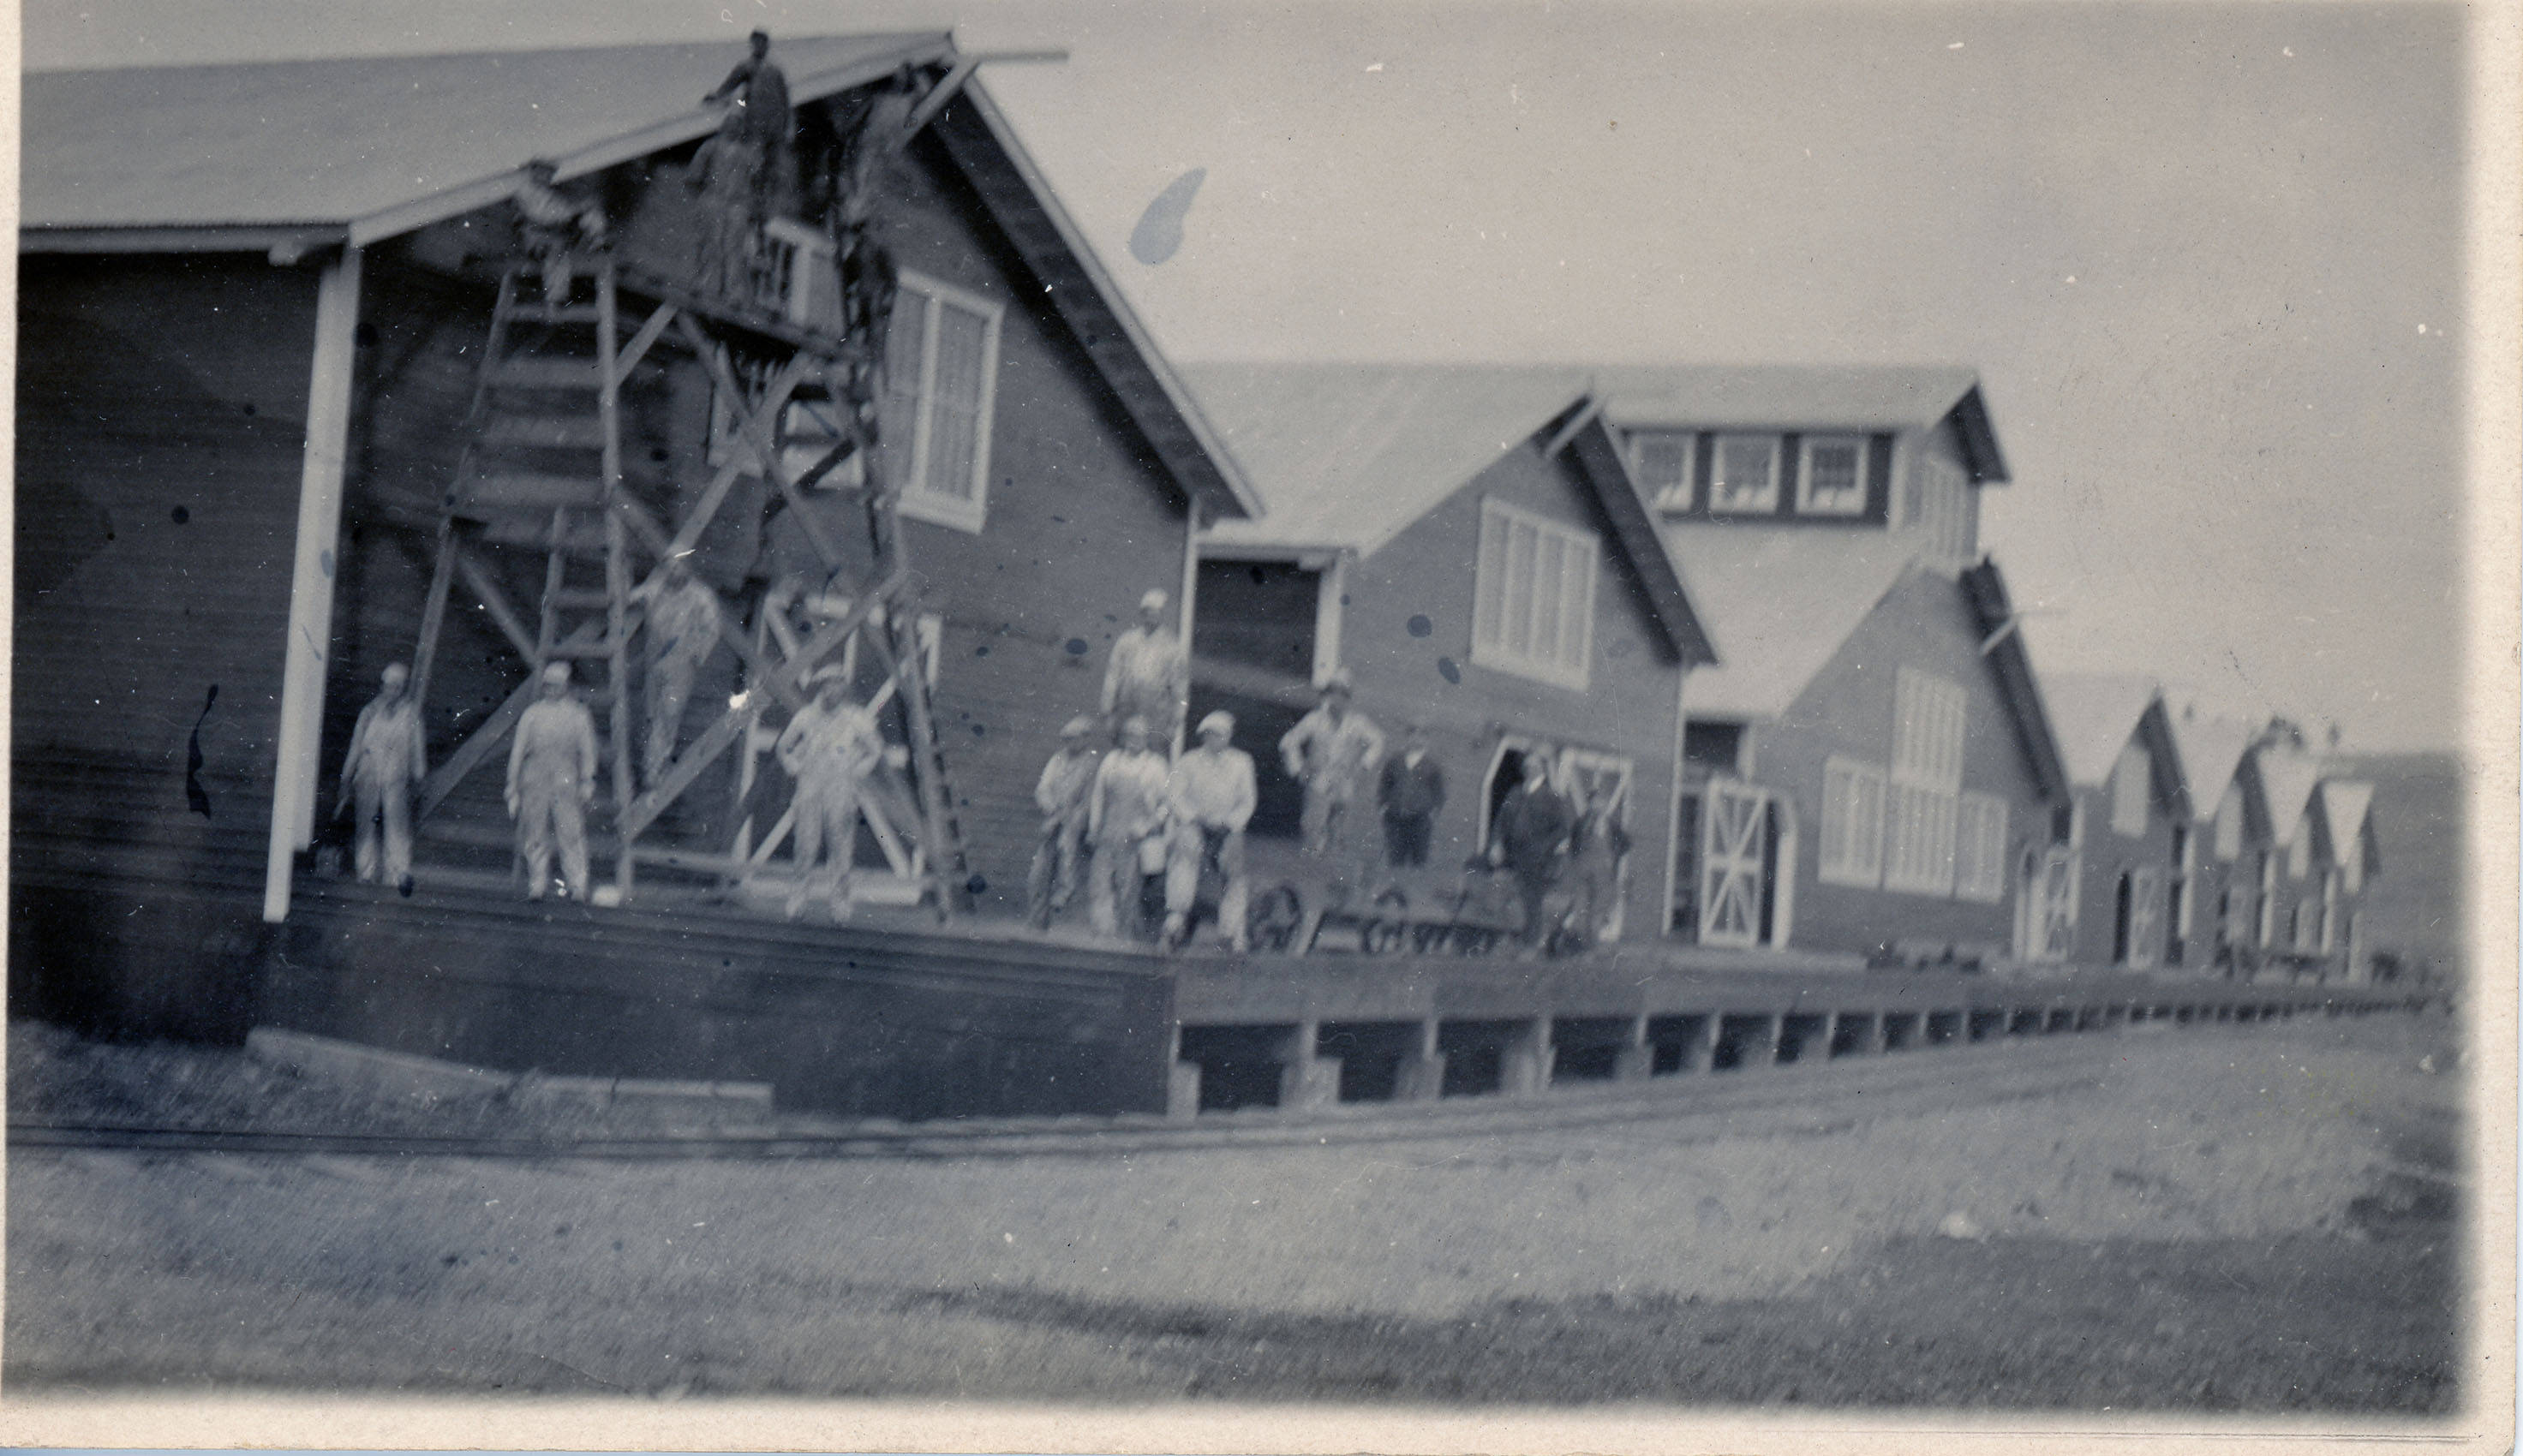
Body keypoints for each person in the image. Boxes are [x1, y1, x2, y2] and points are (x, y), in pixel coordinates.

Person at [775, 665, 886, 921]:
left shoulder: (855, 718)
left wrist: (858, 770)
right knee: (805, 844)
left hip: (840, 788)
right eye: (826, 685)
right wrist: (794, 766)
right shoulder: (806, 716)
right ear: (820, 688)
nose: (831, 690)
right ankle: (798, 897)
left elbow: (875, 748)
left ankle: (840, 902)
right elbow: (783, 747)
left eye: (837, 684)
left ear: (844, 688)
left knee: (841, 847)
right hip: (811, 787)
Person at [1278, 670, 1385, 908]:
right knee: (1313, 827)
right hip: (1319, 781)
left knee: (1339, 834)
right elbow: (1288, 742)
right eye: (1331, 695)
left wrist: (1363, 765)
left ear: (1348, 699)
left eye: (1342, 696)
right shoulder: (1315, 720)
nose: (1336, 701)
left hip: (1344, 783)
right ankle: (1305, 883)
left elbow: (1378, 741)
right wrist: (1298, 769)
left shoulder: (1357, 723)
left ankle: (1333, 888)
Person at [1164, 711, 1258, 952]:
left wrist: (1230, 823)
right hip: (1196, 824)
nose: (1216, 739)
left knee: (1235, 871)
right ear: (1203, 736)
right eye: (1211, 734)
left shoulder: (1242, 762)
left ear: (1229, 737)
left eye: (1222, 735)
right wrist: (1194, 817)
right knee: (1185, 855)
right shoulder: (1188, 761)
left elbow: (1247, 801)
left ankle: (1231, 929)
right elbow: (1175, 796)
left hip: (1228, 827)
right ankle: (1176, 916)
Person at [507, 661, 600, 902]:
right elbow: (518, 752)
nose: (552, 690)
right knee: (535, 834)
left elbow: (587, 752)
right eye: (548, 685)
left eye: (557, 685)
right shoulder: (532, 714)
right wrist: (512, 785)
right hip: (535, 779)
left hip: (566, 779)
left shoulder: (579, 715)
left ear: (566, 686)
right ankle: (537, 884)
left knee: (570, 832)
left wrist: (587, 780)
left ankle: (577, 884)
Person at [336, 661, 426, 895]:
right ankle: (365, 873)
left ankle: (397, 874)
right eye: (389, 686)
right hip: (368, 776)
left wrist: (419, 777)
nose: (392, 691)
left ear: (403, 689)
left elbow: (417, 749)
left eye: (398, 687)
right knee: (365, 825)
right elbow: (356, 747)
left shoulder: (411, 715)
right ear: (382, 686)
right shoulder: (369, 713)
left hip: (397, 778)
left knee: (397, 826)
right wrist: (346, 777)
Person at [641, 555, 726, 786]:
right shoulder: (657, 589)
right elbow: (636, 595)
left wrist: (697, 653)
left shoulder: (700, 596)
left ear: (688, 568)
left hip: (680, 660)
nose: (675, 571)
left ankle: (657, 768)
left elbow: (713, 627)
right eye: (670, 566)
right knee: (650, 712)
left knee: (669, 712)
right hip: (655, 659)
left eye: (680, 566)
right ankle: (650, 768)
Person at [1086, 714, 1172, 940]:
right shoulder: (1112, 760)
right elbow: (1098, 796)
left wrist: (1149, 825)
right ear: (1124, 737)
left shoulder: (1155, 765)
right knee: (1100, 882)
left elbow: (1166, 804)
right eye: (1130, 734)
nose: (1135, 739)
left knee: (1129, 887)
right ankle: (1102, 933)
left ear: (1146, 738)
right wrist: (1094, 826)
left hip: (1136, 835)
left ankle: (1123, 936)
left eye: (1140, 735)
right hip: (1109, 830)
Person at [1488, 748, 1573, 954]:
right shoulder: (1516, 793)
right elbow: (1501, 821)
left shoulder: (1551, 797)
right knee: (1512, 895)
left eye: (1534, 766)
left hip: (1538, 859)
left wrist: (1545, 848)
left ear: (1542, 770)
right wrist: (1496, 843)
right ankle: (1515, 939)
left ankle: (1531, 944)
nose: (1530, 769)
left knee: (1532, 900)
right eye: (1527, 766)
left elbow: (1562, 830)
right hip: (1515, 854)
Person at [1026, 715, 1100, 930]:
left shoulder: (1091, 763)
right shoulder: (1057, 759)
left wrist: (1069, 818)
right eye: (1067, 739)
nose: (1070, 743)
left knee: (1066, 851)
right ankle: (1036, 922)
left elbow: (1088, 801)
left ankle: (1065, 893)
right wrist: (1051, 808)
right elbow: (1043, 788)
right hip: (1053, 819)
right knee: (1039, 872)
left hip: (1074, 822)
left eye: (1075, 738)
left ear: (1085, 739)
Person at [1101, 588, 1188, 749]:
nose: (1151, 617)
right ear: (1142, 614)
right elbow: (1112, 677)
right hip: (1126, 709)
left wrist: (1175, 722)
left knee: (1153, 757)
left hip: (1156, 713)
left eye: (1155, 613)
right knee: (1123, 754)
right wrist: (1108, 713)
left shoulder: (1172, 648)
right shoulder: (1126, 642)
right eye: (1147, 613)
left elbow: (1180, 687)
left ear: (1162, 615)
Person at [512, 159, 607, 307]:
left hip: (554, 235)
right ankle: (555, 297)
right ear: (535, 172)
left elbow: (560, 210)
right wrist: (577, 209)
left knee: (591, 213)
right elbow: (548, 214)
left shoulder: (543, 191)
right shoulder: (528, 191)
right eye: (545, 173)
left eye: (550, 174)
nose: (548, 177)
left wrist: (581, 209)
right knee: (556, 256)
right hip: (537, 239)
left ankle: (598, 239)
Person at [1377, 720, 1445, 874]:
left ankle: (1414, 887)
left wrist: (1432, 813)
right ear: (1407, 737)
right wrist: (1383, 806)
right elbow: (1385, 784)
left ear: (1427, 740)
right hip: (1395, 817)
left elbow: (1439, 793)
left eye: (1421, 735)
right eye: (1412, 735)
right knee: (1395, 857)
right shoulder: (1395, 761)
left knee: (1419, 858)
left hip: (1420, 819)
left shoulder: (1432, 765)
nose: (1416, 739)